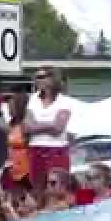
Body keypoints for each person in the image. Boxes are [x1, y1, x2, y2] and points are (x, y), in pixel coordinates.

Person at [25, 68, 73, 198]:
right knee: (37, 190)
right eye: (36, 77)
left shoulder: (64, 101)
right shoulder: (33, 99)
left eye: (42, 77)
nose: (38, 80)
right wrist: (50, 124)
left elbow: (58, 128)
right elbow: (28, 127)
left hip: (57, 150)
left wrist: (37, 124)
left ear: (53, 79)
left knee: (57, 189)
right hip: (36, 149)